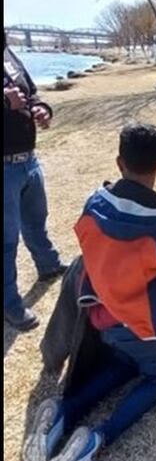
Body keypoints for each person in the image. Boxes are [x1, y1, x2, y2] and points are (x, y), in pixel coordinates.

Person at [23, 123, 156, 461]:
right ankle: (97, 438)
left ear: (119, 162)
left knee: (123, 363)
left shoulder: (94, 202)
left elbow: (89, 245)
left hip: (103, 317)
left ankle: (63, 411)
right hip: (150, 326)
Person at [4, 43, 68, 331]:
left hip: (29, 160)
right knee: (5, 242)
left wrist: (41, 108)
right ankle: (9, 304)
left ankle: (48, 264)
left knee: (36, 221)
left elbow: (31, 92)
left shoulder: (8, 53)